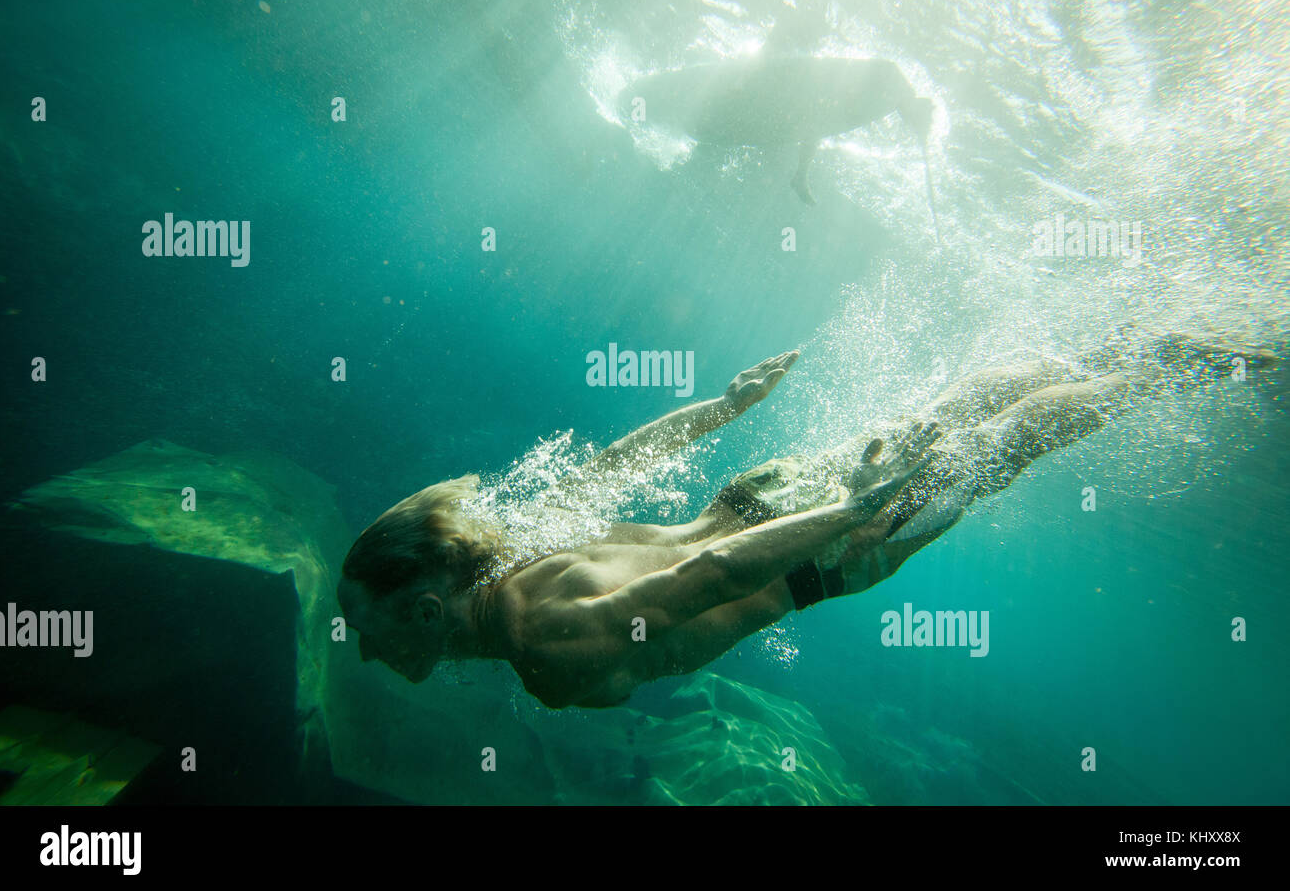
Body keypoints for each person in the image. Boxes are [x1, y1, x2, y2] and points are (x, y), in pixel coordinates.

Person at [338, 331, 1275, 709]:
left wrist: (852, 513)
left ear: (422, 605)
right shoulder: (516, 550)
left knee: (1000, 450)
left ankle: (1168, 368)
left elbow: (701, 583)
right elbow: (617, 465)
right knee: (948, 414)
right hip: (755, 496)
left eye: (364, 625)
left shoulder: (542, 641)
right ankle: (1111, 352)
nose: (365, 649)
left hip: (813, 549)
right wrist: (725, 407)